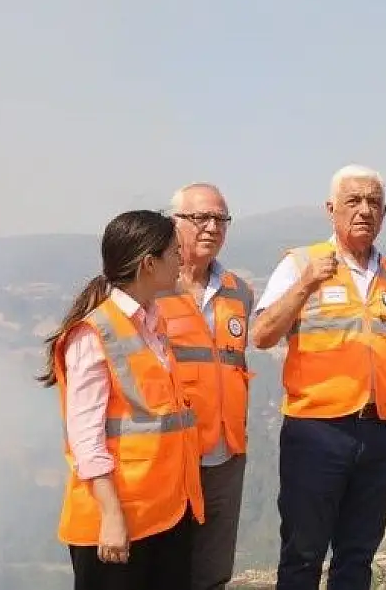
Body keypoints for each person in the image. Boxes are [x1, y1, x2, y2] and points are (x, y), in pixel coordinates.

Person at [251, 164, 386, 589]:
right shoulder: (300, 264)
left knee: (358, 554)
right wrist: (305, 286)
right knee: (304, 554)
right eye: (353, 201)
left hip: (381, 430)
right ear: (331, 209)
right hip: (317, 431)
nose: (364, 210)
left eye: (374, 203)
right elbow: (263, 334)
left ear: (385, 213)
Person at [38, 209, 205, 590]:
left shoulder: (151, 323)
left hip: (164, 515)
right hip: (118, 524)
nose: (182, 261)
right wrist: (112, 516)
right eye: (174, 253)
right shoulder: (93, 334)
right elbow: (86, 439)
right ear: (149, 264)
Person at [158, 183, 255, 590]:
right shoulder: (152, 288)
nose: (212, 227)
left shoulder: (239, 291)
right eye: (200, 218)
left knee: (214, 571)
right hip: (168, 457)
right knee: (166, 567)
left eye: (220, 219)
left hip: (225, 456)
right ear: (173, 222)